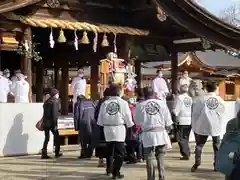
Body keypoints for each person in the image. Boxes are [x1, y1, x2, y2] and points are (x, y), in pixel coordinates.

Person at [134, 87, 173, 180]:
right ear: (154, 94)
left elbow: (137, 121)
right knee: (161, 155)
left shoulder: (140, 105)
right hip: (160, 132)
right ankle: (162, 176)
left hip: (148, 134)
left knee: (149, 157)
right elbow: (168, 121)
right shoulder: (162, 104)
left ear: (144, 95)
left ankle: (151, 177)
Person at [97, 84, 134, 179]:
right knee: (120, 152)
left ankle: (110, 169)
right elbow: (127, 117)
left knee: (110, 151)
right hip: (119, 129)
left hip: (107, 129)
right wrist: (131, 125)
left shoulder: (105, 103)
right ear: (119, 92)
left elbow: (100, 119)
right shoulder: (123, 103)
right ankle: (115, 170)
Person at [191, 81, 225, 172]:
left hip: (203, 125)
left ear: (206, 89)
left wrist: (195, 125)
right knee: (217, 146)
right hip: (216, 126)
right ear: (216, 89)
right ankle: (216, 165)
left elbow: (195, 114)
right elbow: (222, 113)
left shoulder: (201, 99)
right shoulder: (219, 100)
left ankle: (197, 162)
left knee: (199, 145)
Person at [172, 84, 192, 160]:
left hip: (181, 120)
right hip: (189, 120)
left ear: (180, 90)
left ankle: (185, 153)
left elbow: (176, 110)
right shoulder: (190, 98)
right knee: (186, 137)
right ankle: (187, 152)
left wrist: (173, 113)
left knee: (180, 138)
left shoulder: (179, 98)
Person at [42, 88, 62, 159]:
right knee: (57, 137)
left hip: (45, 122)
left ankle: (44, 153)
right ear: (55, 94)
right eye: (57, 94)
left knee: (47, 138)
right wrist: (55, 125)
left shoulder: (47, 101)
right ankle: (57, 152)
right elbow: (54, 114)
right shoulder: (55, 102)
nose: (58, 95)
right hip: (52, 123)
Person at [74, 95, 96, 159]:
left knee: (83, 140)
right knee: (92, 139)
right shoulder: (92, 103)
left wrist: (76, 127)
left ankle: (83, 154)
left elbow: (76, 116)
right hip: (93, 123)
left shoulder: (78, 104)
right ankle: (89, 153)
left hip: (82, 123)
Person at [94, 88, 110, 167]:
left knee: (100, 143)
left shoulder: (100, 102)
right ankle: (109, 161)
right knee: (109, 143)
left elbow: (96, 114)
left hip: (100, 125)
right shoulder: (111, 102)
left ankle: (101, 160)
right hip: (110, 125)